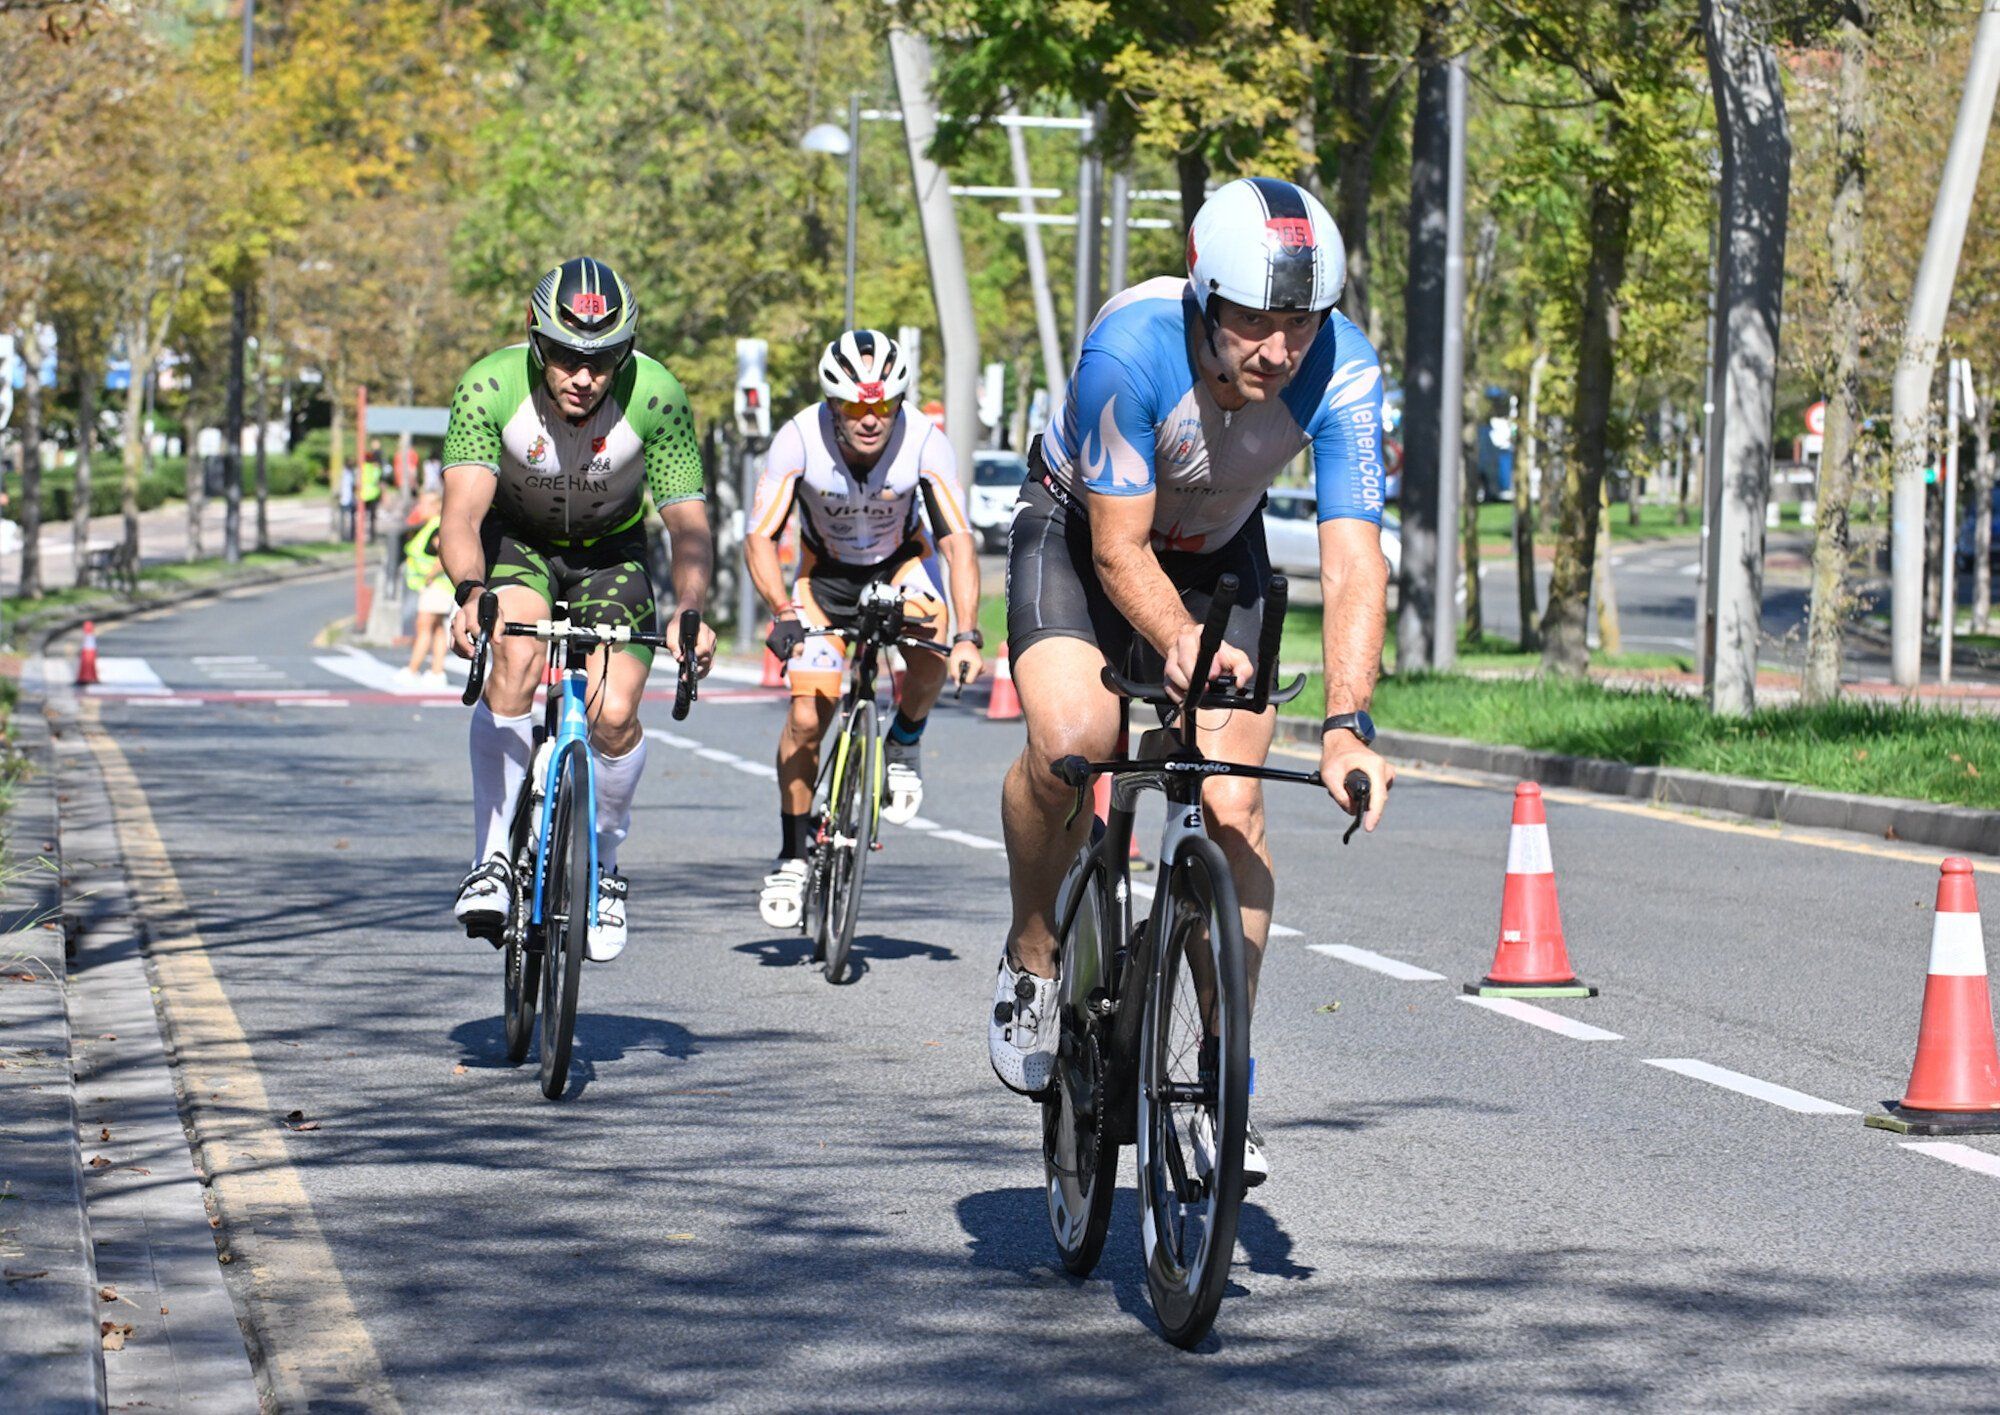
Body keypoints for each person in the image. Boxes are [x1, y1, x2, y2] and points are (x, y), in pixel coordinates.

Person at [987, 177, 1397, 1185]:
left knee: (1233, 803)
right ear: (1202, 298)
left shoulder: (1343, 372)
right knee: (1073, 740)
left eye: (1298, 324)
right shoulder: (1127, 351)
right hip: (1081, 538)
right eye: (1254, 322)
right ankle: (1032, 954)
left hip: (1219, 545)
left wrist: (1348, 722)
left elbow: (1354, 560)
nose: (1277, 350)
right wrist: (1174, 639)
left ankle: (1222, 1077)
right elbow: (1121, 551)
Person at [438, 255, 715, 963]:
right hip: (517, 542)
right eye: (564, 356)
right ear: (535, 338)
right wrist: (472, 594)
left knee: (615, 711)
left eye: (602, 358)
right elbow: (462, 516)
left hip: (610, 551)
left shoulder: (657, 395)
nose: (583, 376)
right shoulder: (489, 386)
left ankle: (607, 864)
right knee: (519, 654)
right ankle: (492, 856)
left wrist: (689, 608)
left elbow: (687, 526)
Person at [745, 329, 983, 927]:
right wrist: (782, 613)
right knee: (806, 718)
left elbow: (956, 541)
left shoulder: (926, 441)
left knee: (931, 633)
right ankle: (793, 855)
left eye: (883, 406)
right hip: (822, 582)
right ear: (832, 404)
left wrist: (968, 633)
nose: (871, 419)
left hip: (897, 566)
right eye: (855, 406)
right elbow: (759, 536)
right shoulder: (797, 438)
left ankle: (904, 739)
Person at [399, 490, 451, 686]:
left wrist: (428, 578)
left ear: (437, 506)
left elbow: (443, 554)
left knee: (423, 627)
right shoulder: (432, 525)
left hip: (435, 587)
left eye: (425, 504)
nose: (420, 508)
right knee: (437, 629)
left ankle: (412, 670)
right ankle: (437, 672)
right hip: (438, 587)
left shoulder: (437, 527)